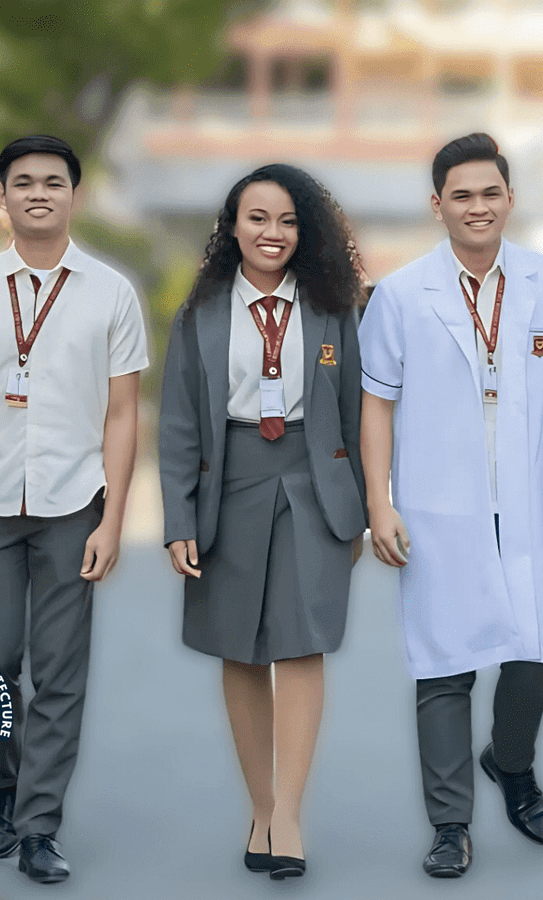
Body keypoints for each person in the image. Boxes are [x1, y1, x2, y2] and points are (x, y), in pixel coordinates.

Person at [358, 132, 543, 879]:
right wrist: (379, 501)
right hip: (436, 505)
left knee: (535, 655)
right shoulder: (401, 295)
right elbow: (375, 406)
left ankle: (512, 763)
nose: (478, 207)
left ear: (510, 199)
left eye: (490, 193)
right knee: (444, 666)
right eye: (461, 195)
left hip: (526, 502)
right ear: (438, 206)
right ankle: (450, 823)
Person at [0, 135, 148, 885]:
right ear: (3, 197)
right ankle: (7, 785)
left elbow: (122, 414)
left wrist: (113, 519)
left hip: (70, 504)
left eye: (54, 181)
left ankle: (38, 827)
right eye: (23, 182)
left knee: (59, 673)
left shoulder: (112, 293)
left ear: (74, 196)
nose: (39, 192)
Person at [158, 164, 367, 881]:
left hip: (313, 477)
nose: (272, 234)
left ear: (303, 231)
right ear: (233, 226)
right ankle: (259, 804)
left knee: (302, 642)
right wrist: (178, 517)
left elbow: (359, 411)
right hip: (232, 477)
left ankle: (289, 816)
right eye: (257, 219)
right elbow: (180, 422)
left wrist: (362, 507)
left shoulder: (334, 305)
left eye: (286, 221)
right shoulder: (202, 310)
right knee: (240, 646)